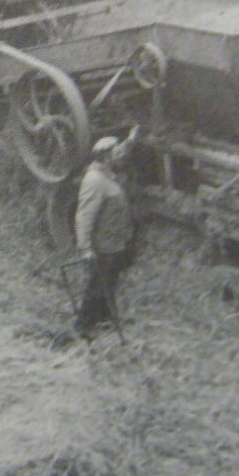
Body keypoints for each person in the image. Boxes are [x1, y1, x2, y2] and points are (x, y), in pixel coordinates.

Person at [74, 127, 140, 336]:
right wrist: (85, 248)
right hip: (103, 244)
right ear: (104, 156)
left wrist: (130, 141)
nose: (118, 156)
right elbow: (84, 215)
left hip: (114, 243)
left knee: (109, 282)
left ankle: (104, 319)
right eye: (113, 153)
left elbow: (121, 154)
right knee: (97, 286)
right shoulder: (94, 180)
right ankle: (83, 326)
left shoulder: (107, 173)